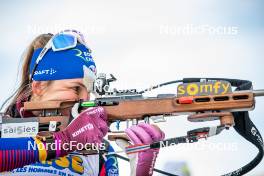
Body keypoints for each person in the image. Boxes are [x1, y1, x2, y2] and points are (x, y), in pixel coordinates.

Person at [0, 30, 165, 176]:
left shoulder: (100, 150)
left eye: (88, 91)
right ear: (39, 87)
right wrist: (65, 140)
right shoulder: (4, 131)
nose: (84, 100)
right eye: (75, 88)